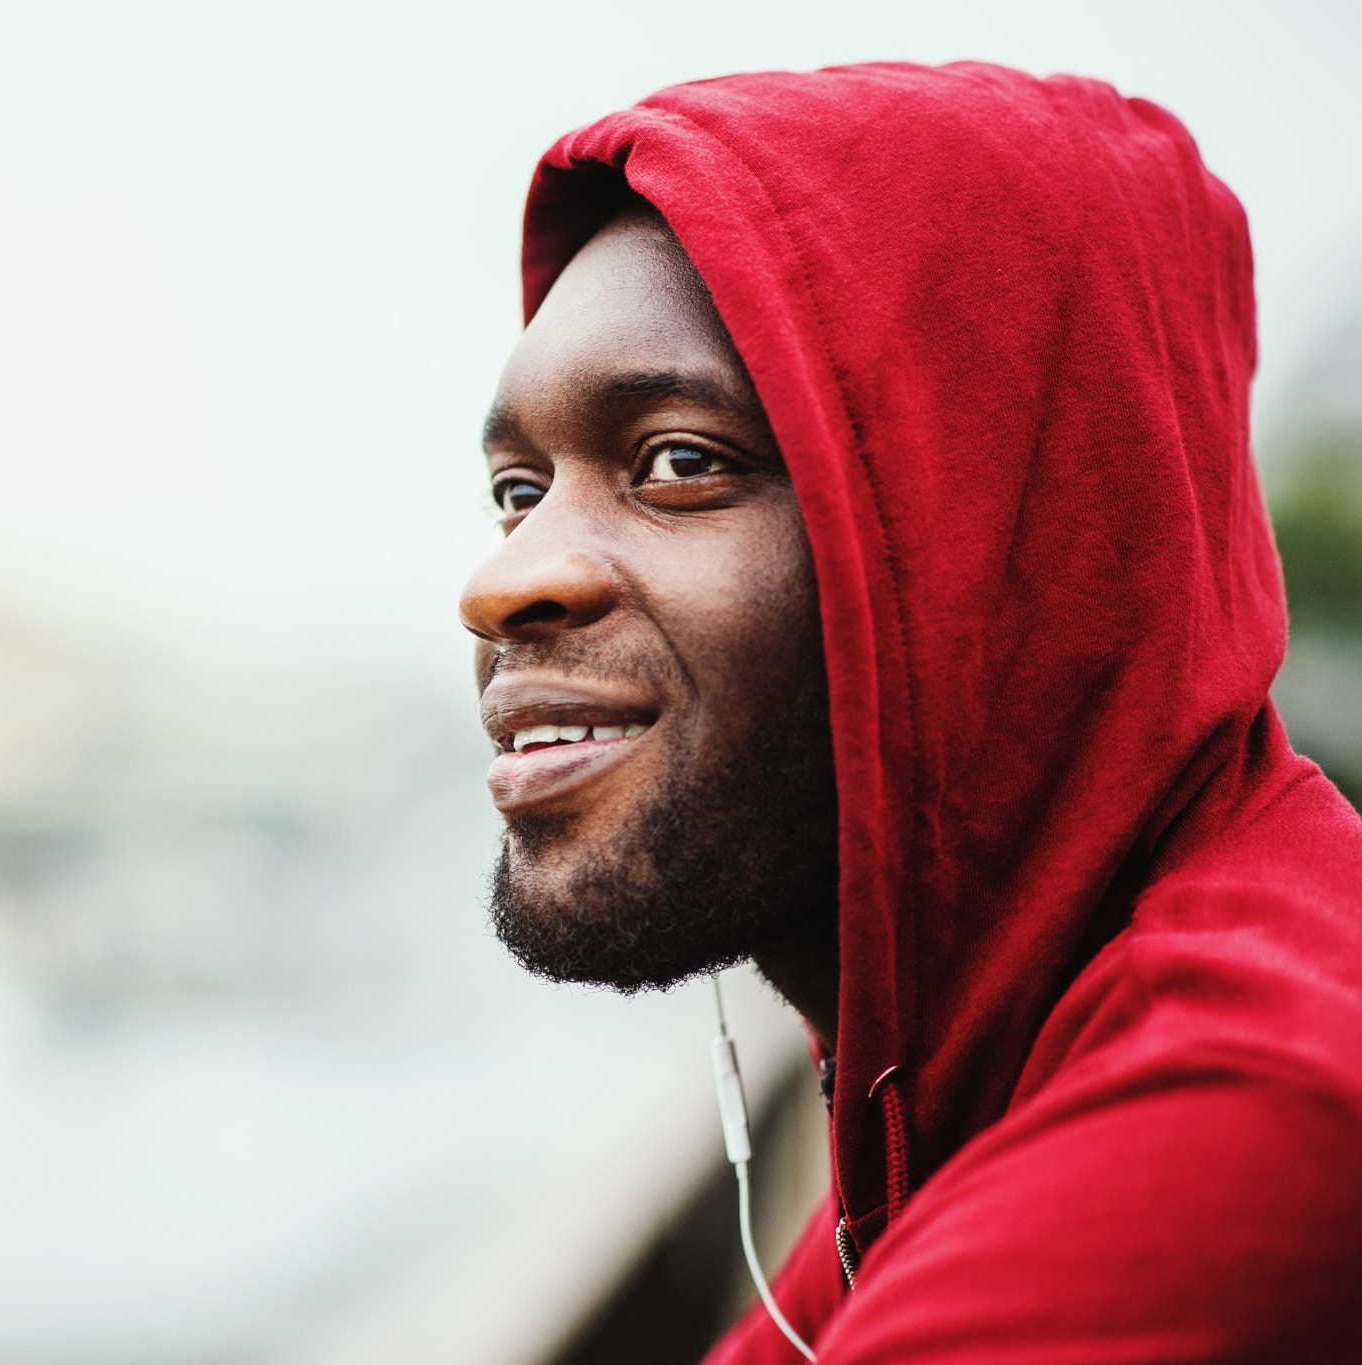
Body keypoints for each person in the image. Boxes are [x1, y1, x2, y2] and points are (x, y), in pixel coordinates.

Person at [461, 62, 1362, 1362]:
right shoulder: (976, 1065)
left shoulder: (1240, 1121)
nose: (502, 580)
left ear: (996, 527)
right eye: (517, 487)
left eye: (676, 461)